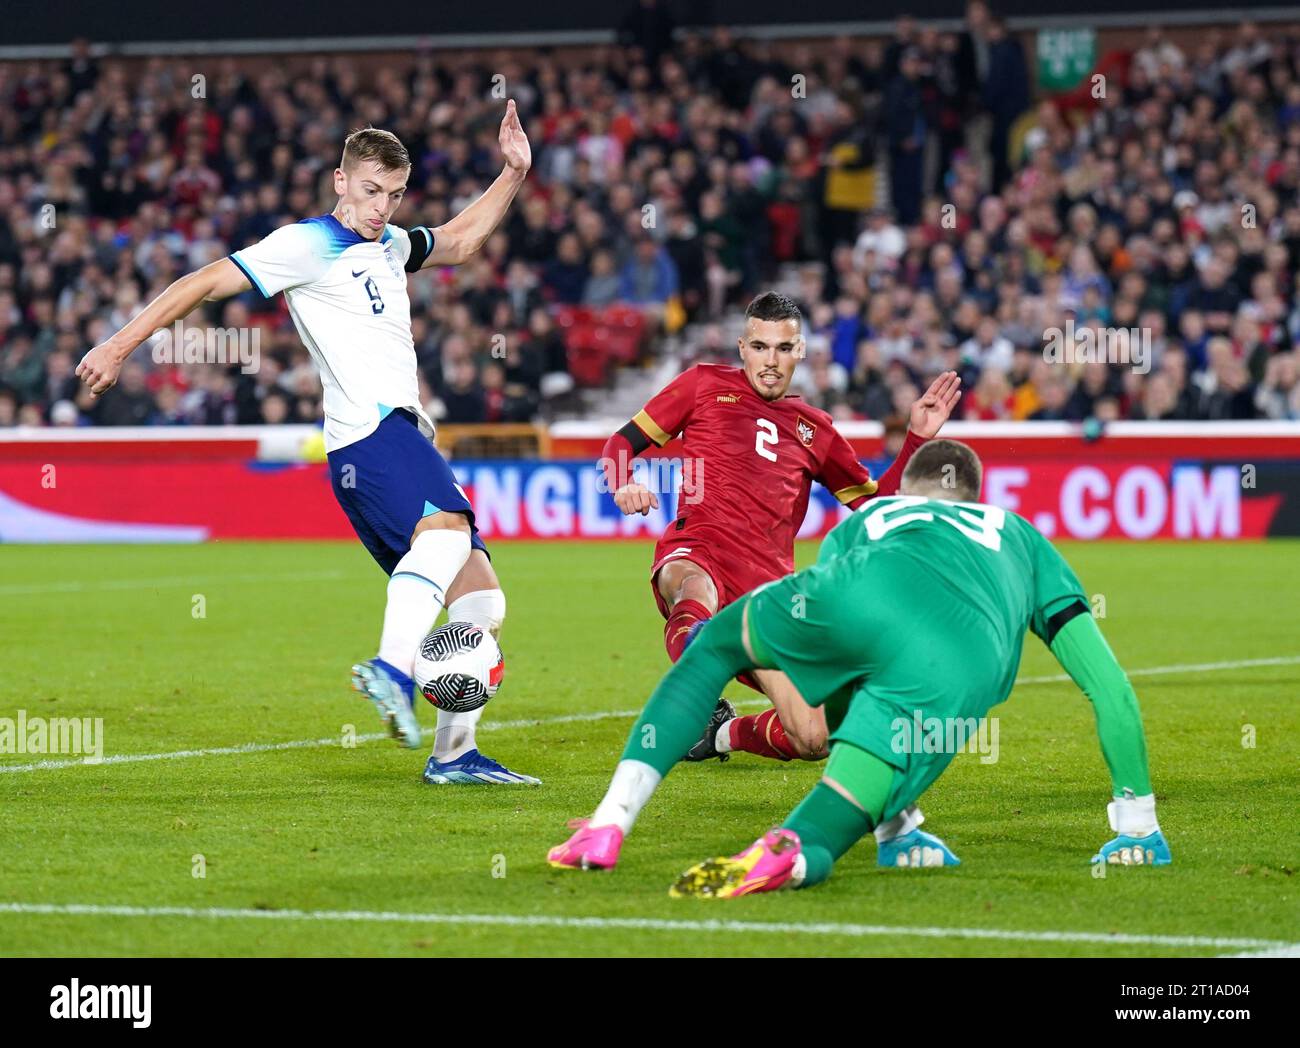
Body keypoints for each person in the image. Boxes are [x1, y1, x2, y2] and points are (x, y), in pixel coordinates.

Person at [75, 105, 539, 786]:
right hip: (370, 434)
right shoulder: (304, 244)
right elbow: (204, 283)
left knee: (481, 602)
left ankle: (453, 755)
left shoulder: (389, 246)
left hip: (400, 438)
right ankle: (390, 669)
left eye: (394, 194)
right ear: (340, 182)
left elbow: (461, 242)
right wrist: (118, 344)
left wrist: (514, 172)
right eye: (370, 190)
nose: (381, 206)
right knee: (445, 535)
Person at [551, 439, 1170, 889]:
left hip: (850, 598)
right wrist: (1138, 823)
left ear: (911, 494)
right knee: (849, 792)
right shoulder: (1017, 534)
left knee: (714, 642)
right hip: (956, 656)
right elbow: (1110, 689)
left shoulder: (877, 513)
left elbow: (841, 643)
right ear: (972, 498)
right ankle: (795, 849)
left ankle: (609, 822)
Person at [599, 291, 961, 768]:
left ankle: (719, 733)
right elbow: (620, 443)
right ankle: (693, 687)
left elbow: (877, 507)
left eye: (783, 349)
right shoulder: (701, 385)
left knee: (813, 737)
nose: (771, 361)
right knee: (691, 587)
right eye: (760, 346)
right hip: (699, 548)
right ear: (742, 347)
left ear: (801, 351)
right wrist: (623, 483)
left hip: (768, 597)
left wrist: (917, 437)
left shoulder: (816, 429)